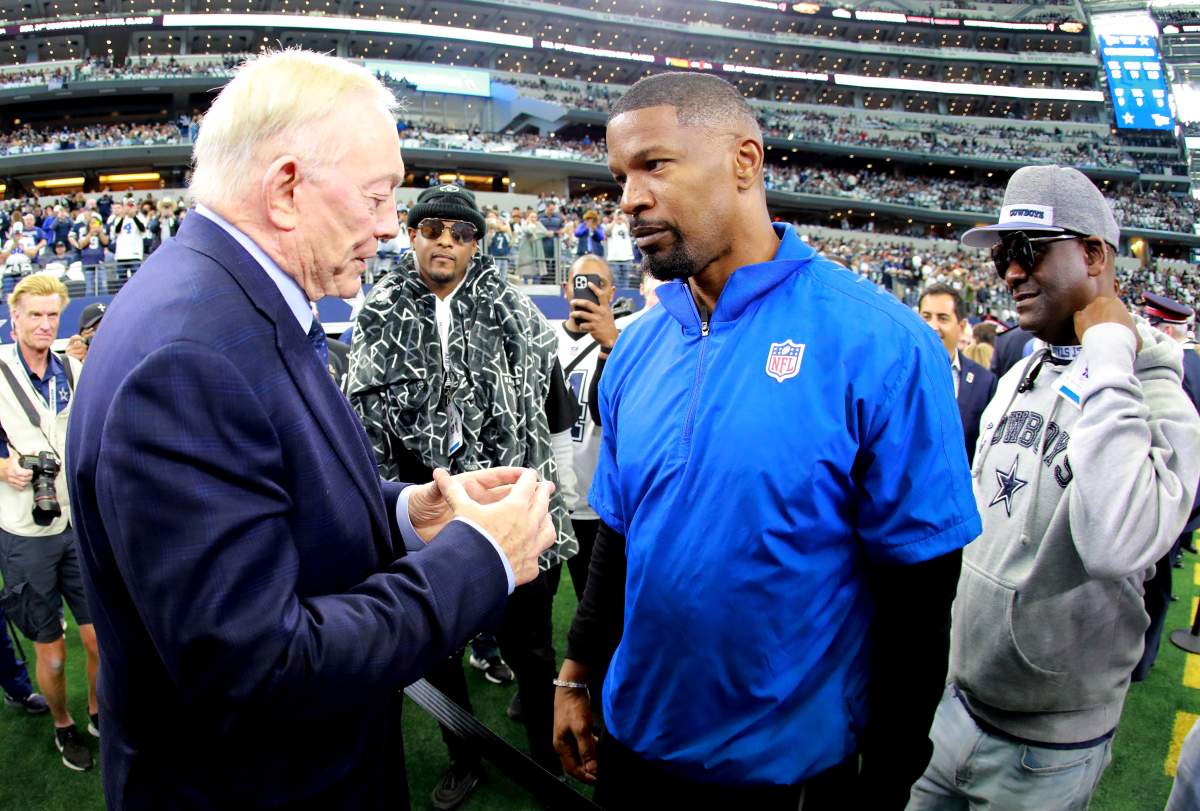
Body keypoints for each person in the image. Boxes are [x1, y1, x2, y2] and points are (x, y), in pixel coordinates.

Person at [65, 50, 555, 810]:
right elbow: (260, 664)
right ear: (287, 189)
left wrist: (407, 512)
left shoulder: (223, 300)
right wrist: (479, 556)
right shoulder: (190, 355)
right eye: (377, 196)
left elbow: (273, 491)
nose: (390, 226)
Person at [553, 72, 980, 810]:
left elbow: (918, 596)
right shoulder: (637, 349)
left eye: (655, 165)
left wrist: (884, 785)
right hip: (633, 753)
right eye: (620, 176)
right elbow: (619, 540)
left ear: (745, 162)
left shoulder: (882, 342)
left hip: (787, 779)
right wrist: (577, 672)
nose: (629, 199)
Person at [909, 165, 1200, 811]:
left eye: (1029, 250)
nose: (1011, 272)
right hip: (954, 705)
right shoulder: (1022, 370)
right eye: (1003, 256)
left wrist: (1111, 351)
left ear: (1094, 254)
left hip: (1046, 751)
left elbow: (1114, 542)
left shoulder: (1162, 396)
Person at [346, 183, 579, 810]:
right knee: (438, 649)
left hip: (509, 504)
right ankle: (464, 756)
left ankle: (544, 756)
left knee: (532, 647)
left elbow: (552, 412)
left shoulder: (516, 311)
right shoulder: (379, 311)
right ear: (412, 235)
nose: (445, 240)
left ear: (476, 243)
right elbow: (364, 424)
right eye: (431, 229)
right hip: (428, 514)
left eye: (460, 231)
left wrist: (556, 498)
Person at [0, 275, 93, 771]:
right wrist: (1, 467)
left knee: (99, 640)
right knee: (53, 654)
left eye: (52, 315)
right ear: (13, 316)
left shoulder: (75, 369)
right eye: (34, 315)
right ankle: (63, 724)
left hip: (77, 525)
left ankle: (98, 713)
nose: (44, 324)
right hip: (24, 530)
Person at [918, 283, 998, 464]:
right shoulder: (897, 374)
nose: (932, 326)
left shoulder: (984, 382)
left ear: (961, 326)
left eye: (942, 318)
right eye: (926, 317)